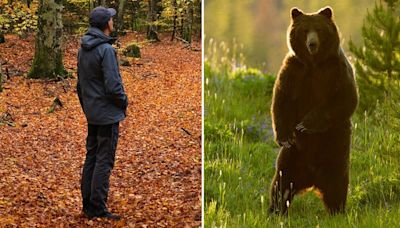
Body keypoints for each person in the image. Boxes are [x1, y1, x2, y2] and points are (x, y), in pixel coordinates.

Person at [76, 6, 128, 220]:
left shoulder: (83, 48)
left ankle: (88, 204)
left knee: (92, 157)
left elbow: (80, 85)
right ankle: (97, 207)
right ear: (107, 24)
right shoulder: (106, 50)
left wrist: (87, 106)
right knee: (103, 160)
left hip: (93, 112)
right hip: (106, 114)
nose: (113, 22)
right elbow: (113, 85)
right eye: (111, 19)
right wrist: (123, 102)